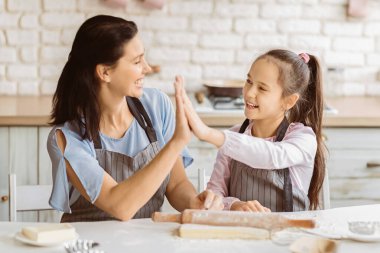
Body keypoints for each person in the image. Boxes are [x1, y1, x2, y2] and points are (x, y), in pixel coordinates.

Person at [47, 15, 223, 222]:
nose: (147, 68)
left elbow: (176, 185)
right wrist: (177, 142)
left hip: (145, 241)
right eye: (137, 61)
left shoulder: (157, 106)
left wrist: (194, 202)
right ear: (105, 72)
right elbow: (119, 206)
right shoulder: (67, 137)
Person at [177, 49, 326, 212]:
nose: (249, 92)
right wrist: (234, 205)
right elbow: (215, 193)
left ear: (288, 101)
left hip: (290, 235)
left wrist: (209, 134)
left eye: (262, 88)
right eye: (249, 81)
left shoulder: (302, 138)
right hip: (241, 233)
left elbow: (272, 156)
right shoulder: (234, 135)